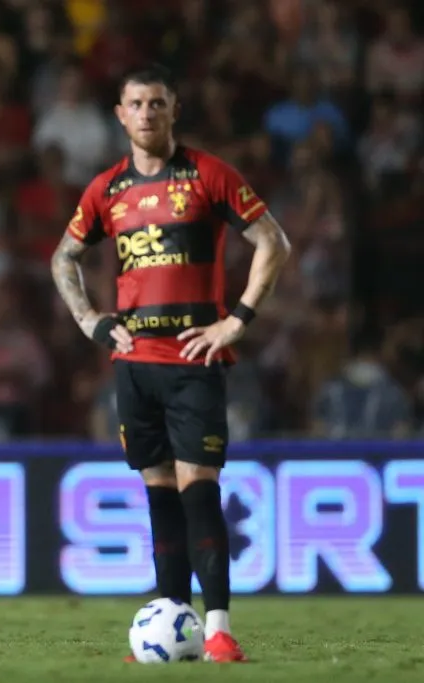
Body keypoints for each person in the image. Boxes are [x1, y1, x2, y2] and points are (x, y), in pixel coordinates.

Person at [51, 64, 291, 663]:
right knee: (158, 494)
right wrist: (92, 321)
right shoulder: (106, 189)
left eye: (158, 102)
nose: (148, 113)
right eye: (137, 103)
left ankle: (220, 630)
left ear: (174, 109)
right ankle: (171, 619)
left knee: (198, 491)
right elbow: (63, 259)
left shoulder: (209, 174)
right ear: (121, 114)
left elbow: (273, 242)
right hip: (134, 361)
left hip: (191, 359)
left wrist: (235, 320)